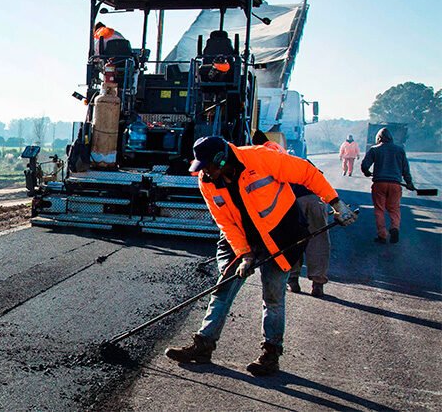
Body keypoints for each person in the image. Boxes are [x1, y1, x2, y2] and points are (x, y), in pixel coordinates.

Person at [165, 136, 356, 376]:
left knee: (273, 294)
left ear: (221, 159)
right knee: (224, 287)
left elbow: (307, 173)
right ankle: (203, 345)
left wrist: (337, 204)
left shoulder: (260, 158)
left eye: (208, 166)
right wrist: (245, 255)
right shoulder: (207, 182)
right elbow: (224, 222)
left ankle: (270, 354)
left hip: (280, 233)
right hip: (242, 236)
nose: (204, 173)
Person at [252, 131, 331, 298]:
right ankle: (318, 283)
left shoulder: (263, 158)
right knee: (318, 240)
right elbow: (318, 177)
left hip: (294, 201)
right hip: (315, 198)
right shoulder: (293, 156)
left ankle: (293, 280)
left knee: (293, 240)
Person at [361, 127, 414, 244]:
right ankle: (394, 227)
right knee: (394, 209)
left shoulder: (374, 150)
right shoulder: (399, 150)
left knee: (379, 209)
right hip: (395, 184)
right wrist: (409, 182)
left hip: (379, 184)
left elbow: (365, 165)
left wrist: (366, 172)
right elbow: (405, 169)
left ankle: (382, 235)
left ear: (379, 138)